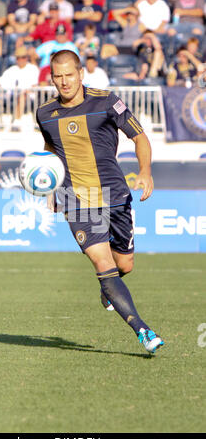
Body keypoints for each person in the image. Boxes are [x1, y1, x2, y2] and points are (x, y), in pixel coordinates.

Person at [36, 49, 164, 354]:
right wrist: (52, 187)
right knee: (103, 265)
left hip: (114, 194)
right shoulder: (45, 113)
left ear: (81, 74)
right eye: (58, 76)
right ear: (51, 78)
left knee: (125, 265)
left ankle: (109, 288)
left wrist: (145, 172)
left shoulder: (107, 101)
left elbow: (140, 137)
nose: (64, 82)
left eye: (70, 75)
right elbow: (50, 151)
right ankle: (142, 330)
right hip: (75, 199)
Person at [0, 45, 39, 129]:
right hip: (10, 95)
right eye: (19, 58)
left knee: (22, 96)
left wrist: (26, 90)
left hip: (27, 95)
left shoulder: (33, 69)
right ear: (16, 59)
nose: (21, 60)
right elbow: (0, 81)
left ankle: (17, 122)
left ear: (27, 58)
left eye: (23, 57)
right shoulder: (11, 70)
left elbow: (35, 85)